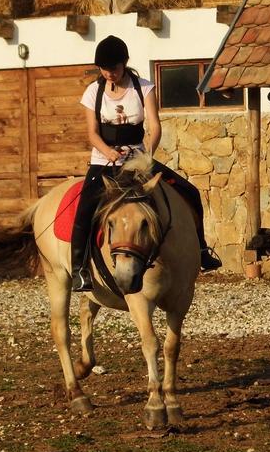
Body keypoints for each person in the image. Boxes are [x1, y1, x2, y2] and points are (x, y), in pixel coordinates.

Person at [70, 35, 222, 292]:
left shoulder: (144, 87)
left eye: (114, 69)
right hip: (104, 160)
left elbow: (154, 126)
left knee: (189, 191)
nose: (109, 74)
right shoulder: (92, 92)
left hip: (138, 159)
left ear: (125, 64)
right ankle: (79, 269)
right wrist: (108, 152)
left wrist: (146, 155)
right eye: (104, 69)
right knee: (85, 208)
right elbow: (92, 134)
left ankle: (201, 250)